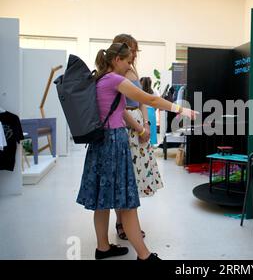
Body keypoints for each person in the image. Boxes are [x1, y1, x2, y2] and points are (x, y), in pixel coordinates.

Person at [76, 42, 196, 260]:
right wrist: (181, 109)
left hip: (101, 143)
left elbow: (120, 112)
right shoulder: (114, 79)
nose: (130, 66)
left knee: (101, 201)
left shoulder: (101, 79)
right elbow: (148, 99)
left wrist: (140, 128)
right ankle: (144, 255)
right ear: (116, 60)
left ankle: (102, 248)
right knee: (127, 202)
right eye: (128, 61)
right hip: (113, 143)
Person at [111, 34, 159, 241]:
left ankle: (128, 222)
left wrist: (146, 124)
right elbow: (119, 108)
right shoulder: (116, 71)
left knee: (134, 178)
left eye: (135, 49)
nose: (134, 53)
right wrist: (139, 128)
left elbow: (142, 100)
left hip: (138, 125)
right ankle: (122, 223)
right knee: (123, 177)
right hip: (126, 127)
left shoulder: (132, 70)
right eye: (131, 49)